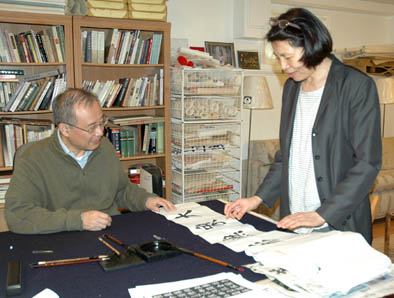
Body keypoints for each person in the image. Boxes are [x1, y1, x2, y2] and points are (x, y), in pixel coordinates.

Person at [224, 8, 381, 244]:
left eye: (287, 56)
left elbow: (368, 164)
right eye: (278, 58)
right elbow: (286, 156)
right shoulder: (292, 88)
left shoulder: (356, 86)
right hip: (294, 221)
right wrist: (256, 199)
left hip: (337, 224)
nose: (283, 66)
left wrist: (321, 215)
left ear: (312, 45)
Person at [5, 88, 175, 234]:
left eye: (101, 122)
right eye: (91, 127)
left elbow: (121, 190)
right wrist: (78, 221)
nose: (100, 132)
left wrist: (146, 200)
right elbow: (18, 215)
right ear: (65, 129)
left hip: (111, 231)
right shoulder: (33, 158)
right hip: (60, 238)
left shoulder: (104, 147)